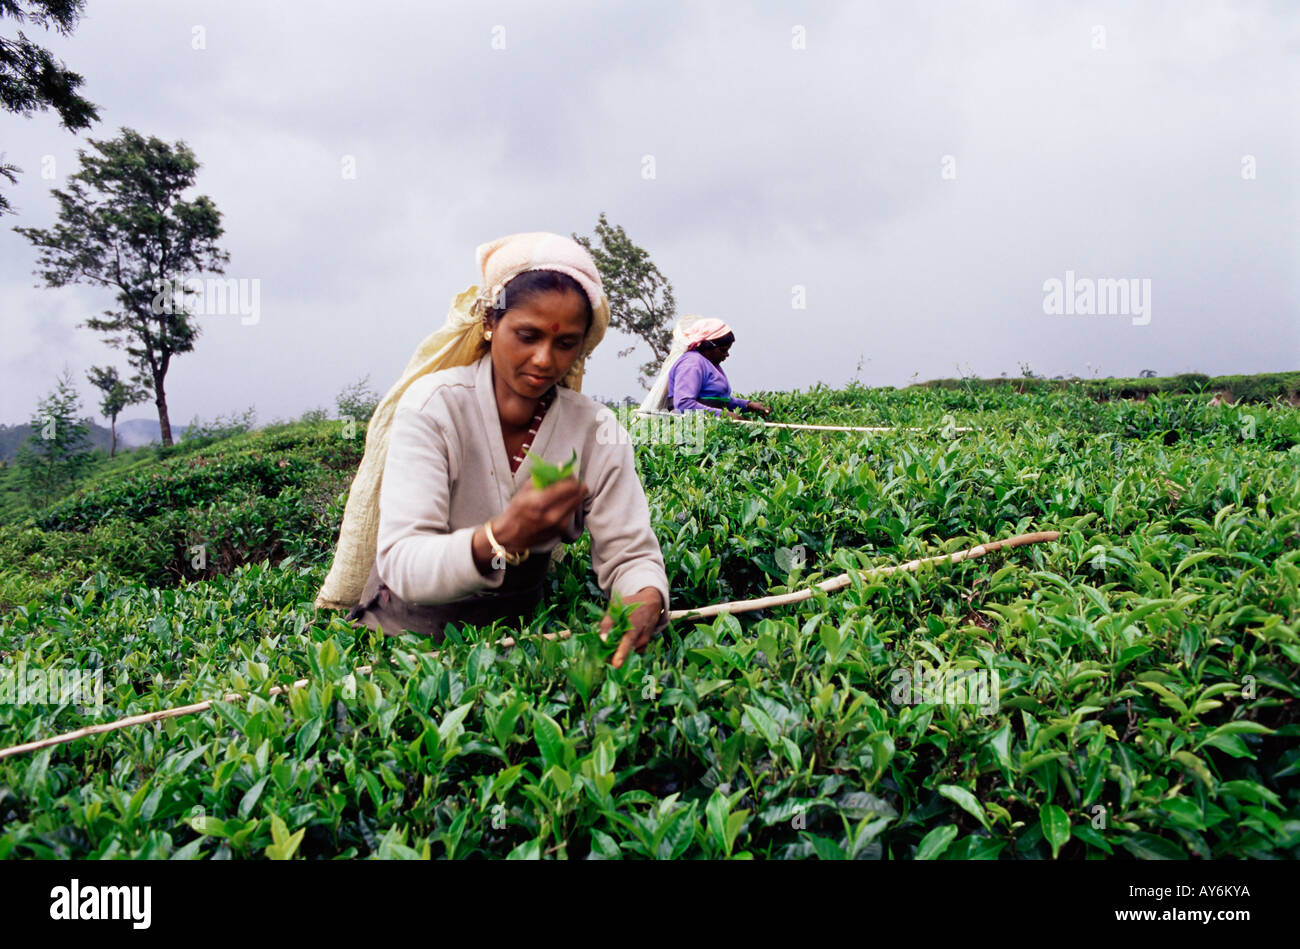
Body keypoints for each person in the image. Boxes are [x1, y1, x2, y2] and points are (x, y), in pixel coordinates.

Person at [316, 232, 669, 667]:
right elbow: (405, 562)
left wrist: (645, 594)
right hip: (408, 642)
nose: (544, 359)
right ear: (489, 324)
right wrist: (497, 539)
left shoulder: (596, 430)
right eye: (527, 335)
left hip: (519, 637)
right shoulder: (434, 408)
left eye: (564, 343)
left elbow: (629, 551)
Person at [664, 318, 771, 418]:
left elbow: (716, 399)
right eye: (723, 350)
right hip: (693, 431)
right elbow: (684, 405)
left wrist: (748, 405)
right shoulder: (692, 364)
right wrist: (724, 415)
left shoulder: (709, 364)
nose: (727, 355)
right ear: (709, 347)